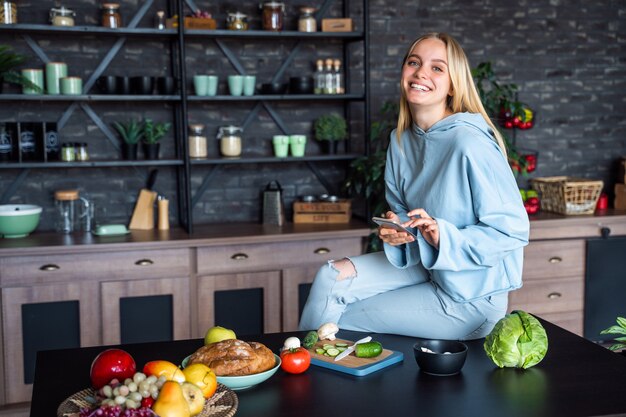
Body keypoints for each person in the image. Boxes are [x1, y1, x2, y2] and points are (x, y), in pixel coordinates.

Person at [299, 32, 530, 340]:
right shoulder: (400, 140)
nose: (421, 72)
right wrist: (398, 229)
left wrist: (442, 235)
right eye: (414, 62)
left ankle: (308, 375)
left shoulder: (469, 142)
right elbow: (405, 217)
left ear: (453, 84)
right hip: (428, 266)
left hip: (470, 295)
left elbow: (511, 231)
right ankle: (300, 366)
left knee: (339, 320)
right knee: (331, 277)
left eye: (437, 67)